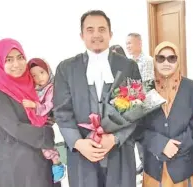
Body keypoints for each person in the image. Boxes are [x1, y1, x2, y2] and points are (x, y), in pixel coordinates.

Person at [53, 10, 141, 187]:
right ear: (82, 35)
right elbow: (62, 112)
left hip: (119, 151)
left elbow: (137, 108)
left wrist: (115, 138)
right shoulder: (66, 68)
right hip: (82, 154)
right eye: (90, 30)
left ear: (110, 34)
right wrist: (78, 143)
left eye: (102, 29)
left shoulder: (128, 66)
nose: (96, 35)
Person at [0, 38, 57, 187]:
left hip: (42, 162)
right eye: (9, 60)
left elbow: (47, 112)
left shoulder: (33, 85)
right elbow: (15, 128)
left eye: (20, 57)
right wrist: (47, 134)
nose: (16, 64)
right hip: (18, 168)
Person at [139, 41, 193, 187]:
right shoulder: (144, 89)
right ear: (154, 61)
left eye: (171, 58)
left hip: (184, 166)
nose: (166, 62)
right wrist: (160, 144)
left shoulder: (192, 88)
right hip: (154, 167)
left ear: (178, 60)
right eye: (160, 58)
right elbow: (137, 126)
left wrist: (177, 146)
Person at [21, 58, 66, 183]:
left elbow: (49, 106)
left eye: (41, 72)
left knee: (46, 146)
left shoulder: (52, 88)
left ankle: (58, 164)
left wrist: (35, 106)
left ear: (48, 71)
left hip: (46, 121)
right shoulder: (35, 89)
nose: (39, 78)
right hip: (38, 122)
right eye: (34, 75)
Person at [126, 32, 154, 174]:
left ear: (139, 43)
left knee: (145, 135)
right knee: (136, 135)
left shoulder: (147, 61)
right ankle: (142, 162)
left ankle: (148, 164)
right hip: (132, 104)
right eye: (127, 43)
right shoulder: (129, 61)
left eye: (130, 43)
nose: (128, 46)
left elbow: (147, 85)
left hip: (145, 104)